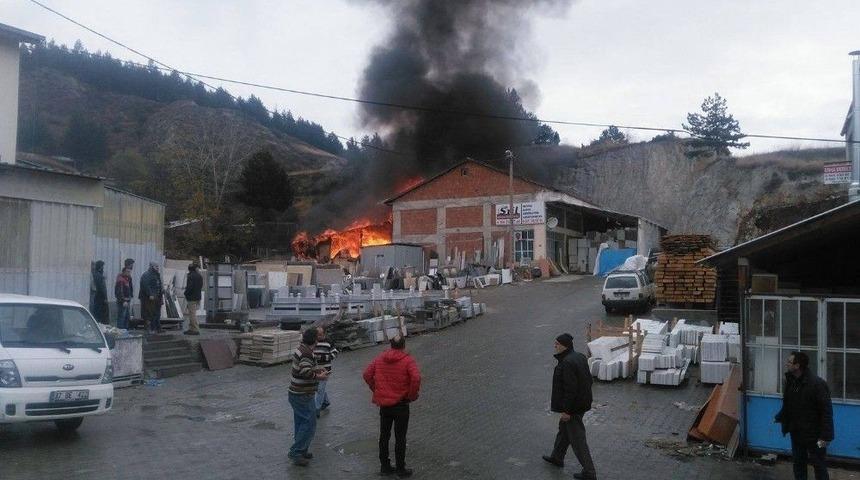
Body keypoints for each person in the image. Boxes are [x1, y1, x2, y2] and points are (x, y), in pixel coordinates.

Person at [363, 334, 421, 477]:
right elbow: (416, 378)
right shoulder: (408, 360)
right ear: (403, 345)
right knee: (400, 437)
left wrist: (376, 389)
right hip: (401, 404)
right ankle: (401, 468)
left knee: (384, 436)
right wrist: (411, 395)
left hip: (385, 405)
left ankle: (385, 466)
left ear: (391, 345)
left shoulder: (380, 358)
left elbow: (366, 374)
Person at [542, 333, 597, 480]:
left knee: (577, 439)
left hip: (573, 407)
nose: (555, 346)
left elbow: (570, 389)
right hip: (582, 403)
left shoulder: (566, 363)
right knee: (564, 431)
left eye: (557, 344)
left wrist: (567, 410)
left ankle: (589, 472)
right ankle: (557, 457)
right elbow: (588, 381)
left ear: (564, 346)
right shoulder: (579, 357)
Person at [775, 351, 834, 480]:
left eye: (789, 362)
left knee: (819, 464)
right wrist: (781, 416)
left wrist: (826, 437)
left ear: (797, 366)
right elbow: (790, 404)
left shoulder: (817, 384)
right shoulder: (791, 382)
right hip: (797, 433)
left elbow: (826, 411)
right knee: (798, 463)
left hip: (816, 436)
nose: (787, 364)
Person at [288, 328, 328, 467]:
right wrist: (319, 376)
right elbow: (305, 371)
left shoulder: (301, 349)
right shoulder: (307, 353)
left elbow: (303, 367)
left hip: (296, 393)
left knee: (300, 423)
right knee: (309, 424)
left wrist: (316, 369)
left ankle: (302, 449)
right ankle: (297, 452)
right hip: (303, 394)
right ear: (315, 340)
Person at [313, 326, 339, 417]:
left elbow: (335, 352)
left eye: (320, 335)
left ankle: (316, 409)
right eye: (317, 334)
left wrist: (324, 357)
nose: (318, 336)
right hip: (315, 369)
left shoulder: (328, 342)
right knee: (318, 388)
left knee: (320, 388)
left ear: (324, 334)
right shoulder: (313, 342)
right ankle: (326, 402)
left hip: (325, 370)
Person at [139, 262, 163, 334]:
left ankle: (157, 328)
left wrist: (161, 291)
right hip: (148, 298)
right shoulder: (146, 275)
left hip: (157, 297)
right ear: (151, 266)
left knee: (156, 313)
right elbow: (145, 285)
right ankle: (149, 329)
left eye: (158, 266)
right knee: (149, 313)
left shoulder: (156, 275)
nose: (158, 268)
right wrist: (150, 294)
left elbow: (158, 284)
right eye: (156, 266)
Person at [183, 263, 203, 335]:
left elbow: (189, 287)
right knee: (192, 313)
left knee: (192, 314)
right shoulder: (199, 276)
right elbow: (201, 286)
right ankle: (191, 328)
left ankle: (195, 329)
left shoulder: (190, 276)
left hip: (191, 297)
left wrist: (185, 293)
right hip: (197, 297)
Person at [90, 260, 109, 324]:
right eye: (102, 267)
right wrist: (105, 298)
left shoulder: (97, 275)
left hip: (98, 297)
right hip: (99, 298)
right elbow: (101, 288)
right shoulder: (98, 276)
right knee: (99, 314)